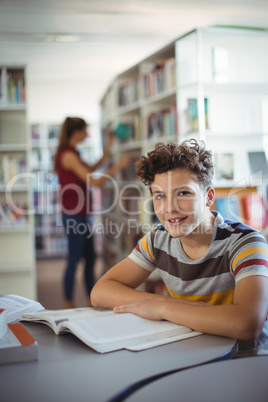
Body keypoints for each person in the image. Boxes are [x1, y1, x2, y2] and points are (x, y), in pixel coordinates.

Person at [91, 139, 268, 356]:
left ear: (208, 197)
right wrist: (162, 303)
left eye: (183, 193)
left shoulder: (246, 243)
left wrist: (162, 309)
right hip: (189, 354)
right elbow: (100, 292)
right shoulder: (158, 240)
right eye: (160, 196)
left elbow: (247, 324)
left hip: (244, 361)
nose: (169, 208)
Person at [54, 116, 129, 309]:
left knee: (90, 258)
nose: (87, 134)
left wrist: (108, 148)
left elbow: (91, 168)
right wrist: (117, 167)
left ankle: (91, 299)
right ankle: (68, 303)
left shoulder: (74, 153)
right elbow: (94, 181)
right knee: (74, 259)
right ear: (76, 132)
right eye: (85, 131)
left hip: (80, 214)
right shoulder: (68, 155)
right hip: (74, 215)